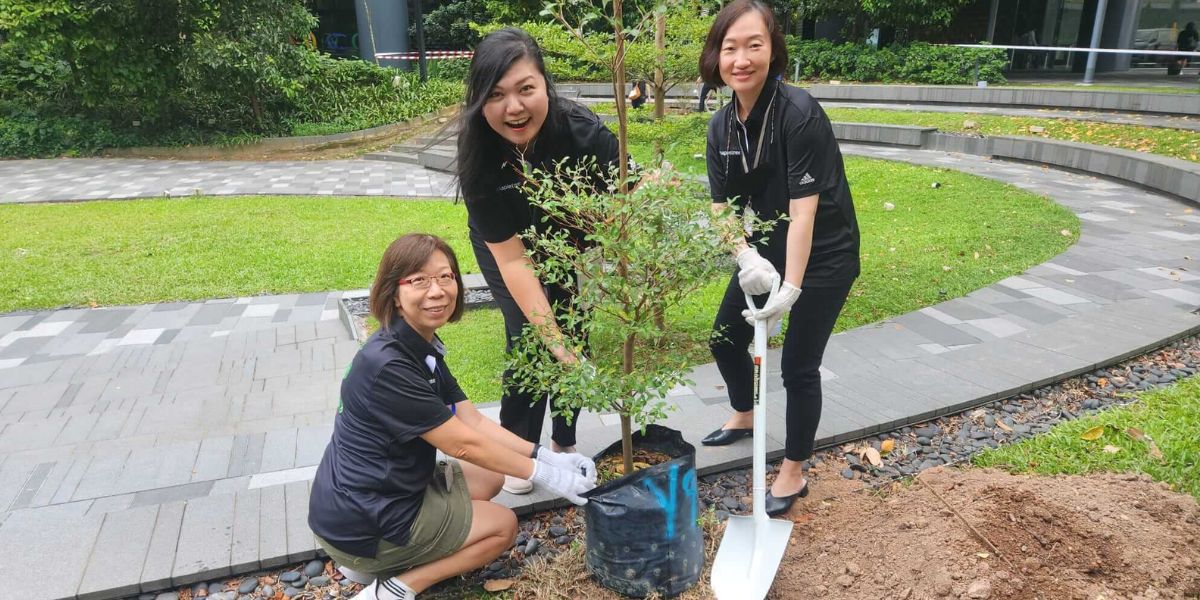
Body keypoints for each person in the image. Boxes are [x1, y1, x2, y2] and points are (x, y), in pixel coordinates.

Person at [307, 233, 598, 600]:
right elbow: (462, 444)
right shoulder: (389, 366)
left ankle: (384, 559)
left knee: (495, 472)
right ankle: (395, 586)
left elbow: (472, 421)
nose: (437, 290)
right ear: (393, 293)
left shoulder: (415, 345)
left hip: (378, 496)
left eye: (446, 277)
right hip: (365, 520)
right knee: (502, 527)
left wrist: (545, 456)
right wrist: (546, 476)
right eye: (419, 280)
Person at [697, 0, 860, 518]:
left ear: (773, 50)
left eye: (754, 46)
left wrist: (790, 289)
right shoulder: (722, 126)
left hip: (826, 252)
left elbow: (804, 214)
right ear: (716, 56)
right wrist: (744, 254)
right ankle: (744, 414)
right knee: (725, 338)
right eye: (730, 48)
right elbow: (721, 207)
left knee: (798, 364)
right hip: (767, 248)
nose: (741, 58)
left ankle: (794, 466)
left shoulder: (799, 112)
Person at [454, 28, 622, 495]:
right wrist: (556, 344)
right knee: (530, 335)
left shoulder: (583, 133)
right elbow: (514, 264)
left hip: (571, 241)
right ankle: (520, 450)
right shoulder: (480, 157)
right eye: (497, 95)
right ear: (479, 101)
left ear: (544, 84)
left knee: (575, 326)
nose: (514, 107)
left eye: (526, 89)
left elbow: (629, 199)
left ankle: (565, 444)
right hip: (506, 248)